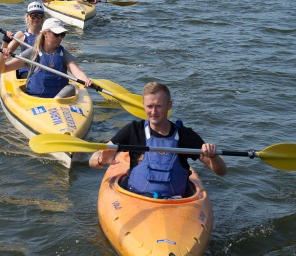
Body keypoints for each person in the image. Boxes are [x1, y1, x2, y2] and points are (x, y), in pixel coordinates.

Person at [89, 82, 227, 199]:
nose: (153, 112)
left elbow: (221, 171)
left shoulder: (185, 135)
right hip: (136, 199)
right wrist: (101, 160)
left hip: (175, 203)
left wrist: (213, 156)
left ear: (169, 105)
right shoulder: (134, 130)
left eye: (159, 106)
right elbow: (93, 161)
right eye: (149, 106)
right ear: (143, 105)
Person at [0, 18, 92, 98]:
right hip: (34, 98)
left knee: (71, 88)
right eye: (56, 34)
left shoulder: (64, 54)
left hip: (60, 100)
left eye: (62, 34)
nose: (60, 38)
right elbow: (2, 69)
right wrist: (3, 59)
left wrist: (85, 80)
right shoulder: (32, 53)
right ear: (45, 33)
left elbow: (78, 72)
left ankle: (57, 100)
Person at [0, 2, 46, 79]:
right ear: (27, 16)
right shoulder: (21, 35)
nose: (36, 19)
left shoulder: (49, 34)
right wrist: (5, 42)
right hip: (26, 71)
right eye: (33, 16)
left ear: (43, 17)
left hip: (45, 69)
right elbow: (3, 56)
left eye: (39, 16)